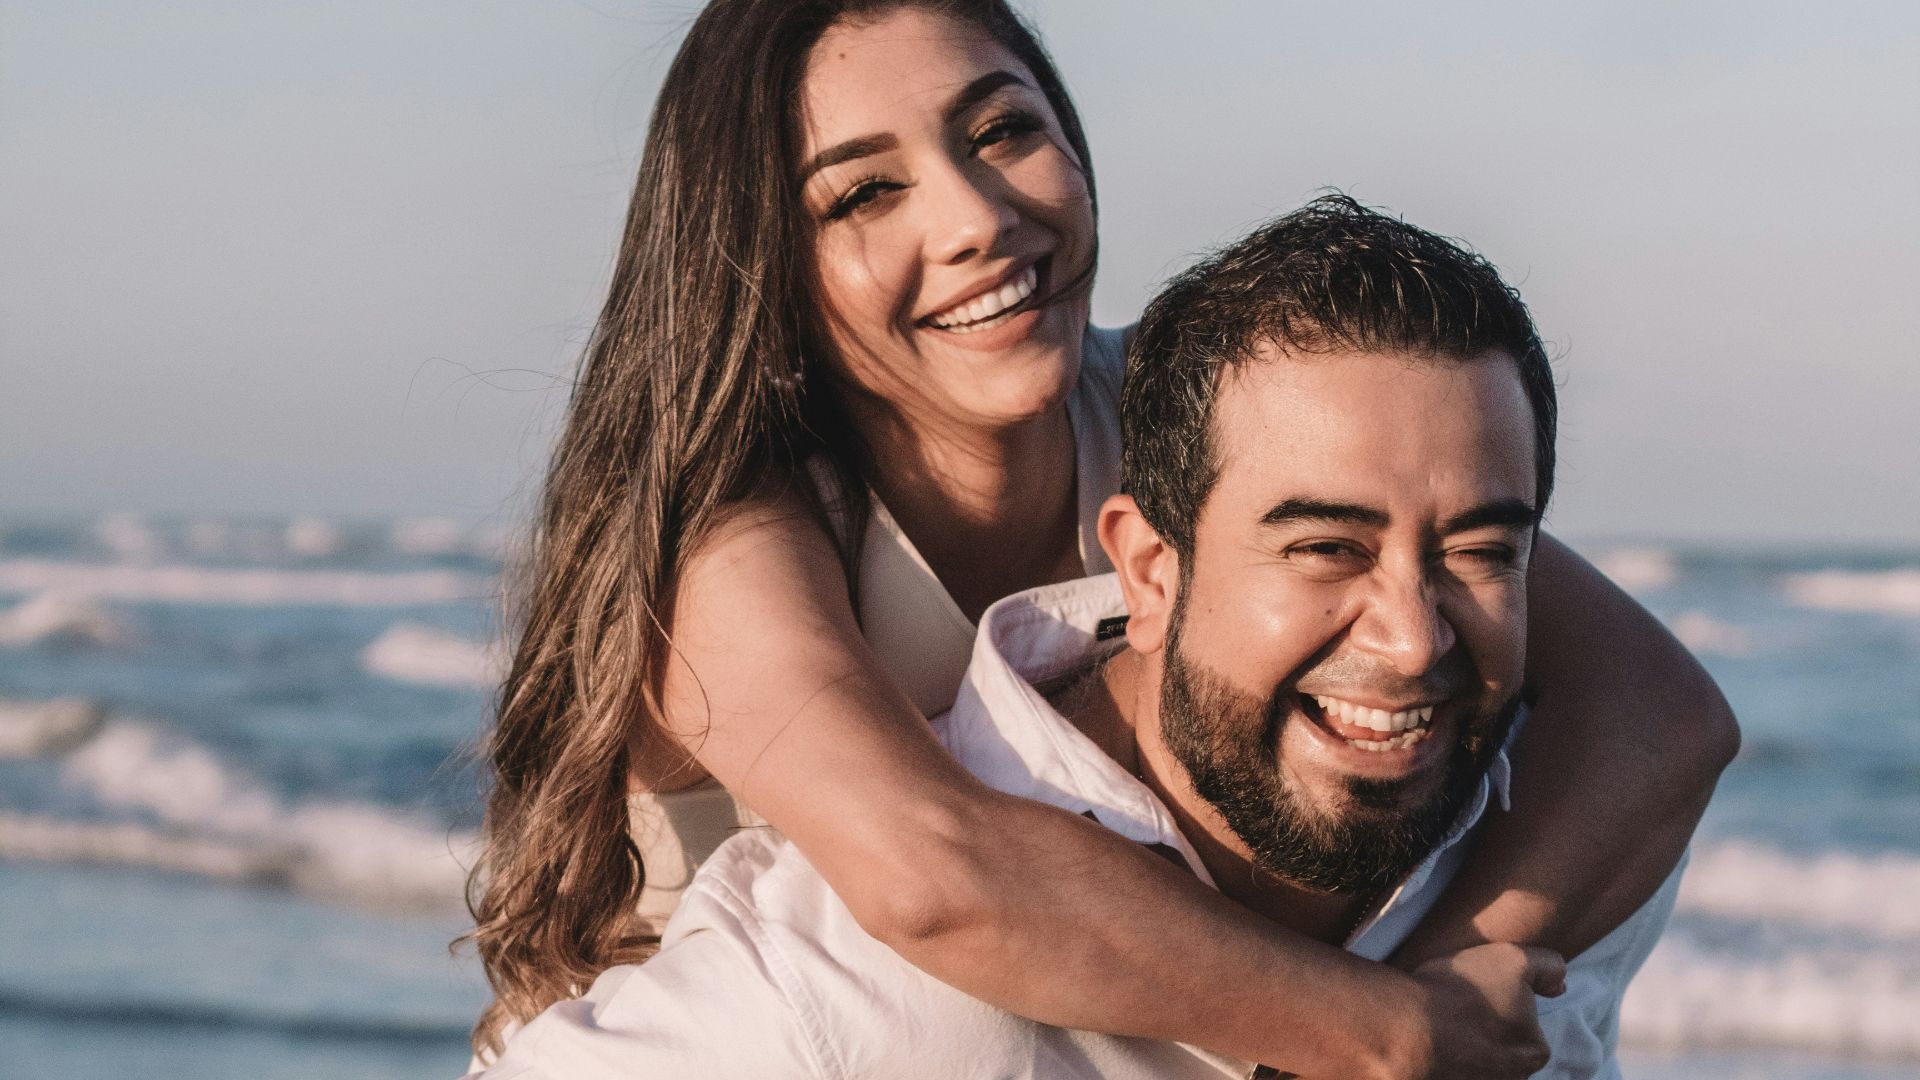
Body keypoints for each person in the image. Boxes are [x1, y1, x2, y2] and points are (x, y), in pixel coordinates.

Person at [465, 2, 1735, 1075]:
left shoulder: (1184, 414)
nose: (973, 217)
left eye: (1003, 129)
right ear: (763, 260)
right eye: (864, 192)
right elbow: (932, 875)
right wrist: (1380, 1029)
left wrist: (1461, 968)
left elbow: (1657, 712)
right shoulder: (737, 534)